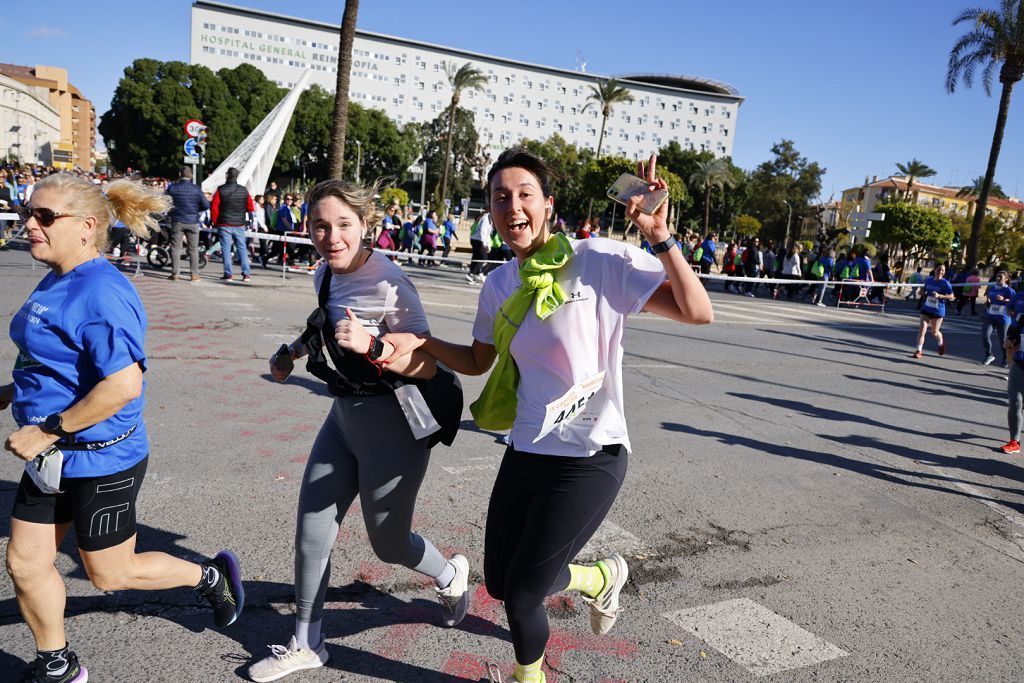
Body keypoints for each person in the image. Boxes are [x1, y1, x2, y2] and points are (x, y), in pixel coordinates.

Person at [378, 149, 713, 683]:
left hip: (591, 455)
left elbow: (699, 311)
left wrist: (660, 238)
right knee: (502, 585)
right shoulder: (498, 286)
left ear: (548, 204)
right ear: (489, 211)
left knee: (525, 596)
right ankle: (600, 577)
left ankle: (526, 675)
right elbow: (478, 361)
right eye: (499, 197)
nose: (512, 206)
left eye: (524, 194)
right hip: (528, 448)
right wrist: (421, 343)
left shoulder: (598, 260)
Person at [3, 174, 244, 683]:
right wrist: (13, 395)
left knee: (109, 573)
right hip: (53, 457)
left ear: (86, 227)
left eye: (44, 217)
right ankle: (59, 665)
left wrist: (46, 429)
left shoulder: (103, 293)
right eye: (30, 213)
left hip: (101, 455)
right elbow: (53, 361)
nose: (30, 224)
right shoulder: (58, 275)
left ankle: (209, 575)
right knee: (26, 563)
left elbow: (123, 386)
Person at [248, 179, 470, 682]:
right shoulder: (324, 274)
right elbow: (323, 325)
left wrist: (375, 345)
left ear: (365, 226)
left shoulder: (389, 281)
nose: (332, 237)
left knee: (388, 543)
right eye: (321, 226)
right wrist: (293, 352)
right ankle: (307, 641)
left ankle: (449, 571)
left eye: (344, 225)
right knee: (311, 527)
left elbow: (426, 359)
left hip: (395, 425)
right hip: (343, 418)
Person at [164, 166, 210, 281]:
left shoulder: (173, 188)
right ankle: (194, 274)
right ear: (191, 176)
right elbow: (206, 205)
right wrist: (195, 210)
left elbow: (165, 202)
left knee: (176, 248)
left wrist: (171, 212)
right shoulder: (196, 189)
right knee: (193, 249)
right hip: (193, 221)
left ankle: (175, 273)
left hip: (177, 220)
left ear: (180, 174)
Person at [211, 167, 254, 282]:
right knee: (242, 248)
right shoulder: (244, 190)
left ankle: (228, 274)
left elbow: (214, 207)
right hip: (239, 224)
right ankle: (246, 274)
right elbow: (250, 207)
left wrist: (215, 222)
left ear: (226, 176)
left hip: (224, 223)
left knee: (225, 249)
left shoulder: (220, 190)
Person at [913, 264, 955, 358]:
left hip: (938, 310)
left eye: (943, 270)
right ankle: (918, 350)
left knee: (934, 332)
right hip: (926, 308)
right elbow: (922, 291)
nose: (941, 271)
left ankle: (940, 343)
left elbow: (951, 296)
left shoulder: (945, 283)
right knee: (922, 329)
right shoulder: (929, 280)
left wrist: (940, 296)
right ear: (935, 270)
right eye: (939, 269)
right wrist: (921, 292)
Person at [982, 271, 1014, 366]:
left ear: (1006, 279)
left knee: (1002, 340)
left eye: (1001, 277)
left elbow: (1013, 301)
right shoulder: (992, 288)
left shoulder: (1008, 290)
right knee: (985, 335)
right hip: (991, 316)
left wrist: (1004, 300)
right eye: (997, 276)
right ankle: (989, 355)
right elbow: (988, 296)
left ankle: (1005, 358)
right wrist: (988, 301)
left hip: (1003, 317)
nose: (998, 278)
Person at [468, 208, 493, 283]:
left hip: (477, 239)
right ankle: (472, 273)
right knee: (483, 258)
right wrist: (485, 244)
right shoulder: (486, 218)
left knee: (476, 257)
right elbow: (483, 231)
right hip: (478, 240)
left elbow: (488, 233)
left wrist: (488, 244)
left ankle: (473, 274)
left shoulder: (489, 218)